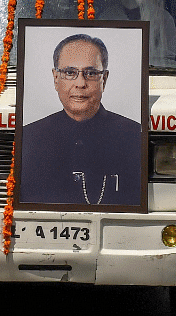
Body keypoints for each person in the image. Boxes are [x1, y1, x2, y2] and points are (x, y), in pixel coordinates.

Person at [20, 33, 142, 207]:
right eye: (70, 73)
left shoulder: (135, 136)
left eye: (90, 73)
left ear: (104, 80)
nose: (80, 83)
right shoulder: (28, 138)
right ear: (56, 78)